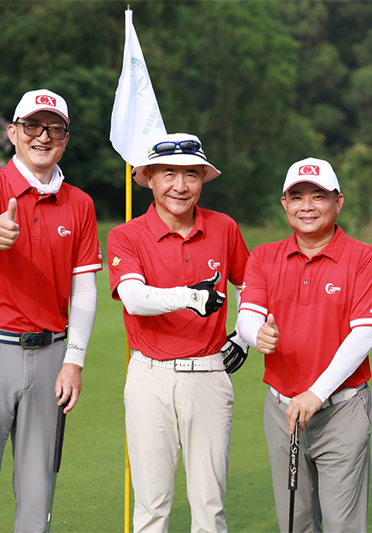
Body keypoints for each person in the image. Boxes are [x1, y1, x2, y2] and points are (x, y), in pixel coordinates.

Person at [0, 89, 102, 533]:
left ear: (66, 140)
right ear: (13, 132)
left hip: (51, 355)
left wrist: (74, 361)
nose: (42, 136)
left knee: (38, 496)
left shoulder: (80, 203)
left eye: (54, 128)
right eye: (32, 126)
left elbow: (84, 288)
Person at [107, 132, 250, 533]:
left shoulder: (224, 227)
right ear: (149, 178)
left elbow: (250, 285)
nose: (180, 186)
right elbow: (133, 297)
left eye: (191, 174)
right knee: (152, 506)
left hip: (209, 375)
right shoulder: (126, 235)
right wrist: (190, 296)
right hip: (149, 376)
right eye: (169, 173)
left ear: (203, 178)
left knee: (209, 506)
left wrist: (243, 335)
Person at [236, 157, 372, 533]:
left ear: (338, 202)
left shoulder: (364, 258)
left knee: (341, 523)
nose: (307, 206)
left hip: (341, 408)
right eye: (297, 196)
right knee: (295, 521)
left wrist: (316, 393)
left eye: (318, 196)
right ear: (284, 204)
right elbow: (247, 315)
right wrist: (256, 334)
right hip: (282, 410)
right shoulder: (264, 256)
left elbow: (364, 334)